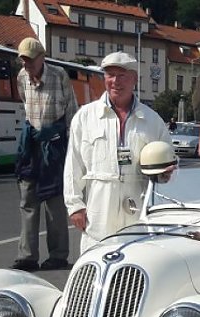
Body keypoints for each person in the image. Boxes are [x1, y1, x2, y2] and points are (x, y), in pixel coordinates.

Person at [64, 52, 172, 254]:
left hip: (137, 214)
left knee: (135, 269)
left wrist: (166, 174)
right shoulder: (86, 117)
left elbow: (170, 163)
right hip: (98, 214)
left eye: (122, 75)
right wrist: (75, 205)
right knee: (95, 271)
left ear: (134, 79)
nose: (115, 81)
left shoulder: (152, 120)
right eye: (109, 75)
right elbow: (73, 164)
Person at [12, 37, 77, 272]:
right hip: (32, 143)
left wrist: (71, 145)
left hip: (55, 143)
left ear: (42, 58)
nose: (26, 65)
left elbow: (71, 110)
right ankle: (27, 256)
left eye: (30, 60)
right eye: (23, 60)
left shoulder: (59, 75)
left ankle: (58, 255)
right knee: (27, 199)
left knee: (54, 201)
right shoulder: (21, 77)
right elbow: (24, 102)